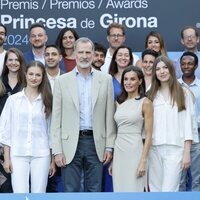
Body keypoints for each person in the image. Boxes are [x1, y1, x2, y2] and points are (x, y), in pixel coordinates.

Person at [50, 37, 116, 192]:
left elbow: (109, 116)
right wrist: (57, 150)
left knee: (94, 189)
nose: (84, 56)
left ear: (93, 54)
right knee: (70, 189)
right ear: (74, 53)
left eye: (88, 52)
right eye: (81, 52)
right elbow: (56, 119)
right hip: (69, 144)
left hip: (96, 143)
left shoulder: (106, 80)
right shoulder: (61, 81)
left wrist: (109, 146)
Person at [0, 61, 55, 193]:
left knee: (39, 193)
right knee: (20, 193)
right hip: (18, 154)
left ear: (43, 78)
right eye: (31, 74)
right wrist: (7, 159)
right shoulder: (13, 100)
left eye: (38, 75)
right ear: (25, 75)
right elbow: (6, 131)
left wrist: (52, 160)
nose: (34, 78)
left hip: (41, 154)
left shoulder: (47, 101)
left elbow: (51, 131)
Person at [148, 55, 195, 192]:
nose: (162, 72)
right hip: (153, 149)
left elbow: (188, 125)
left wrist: (186, 153)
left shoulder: (183, 93)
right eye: (158, 69)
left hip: (175, 149)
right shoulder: (150, 94)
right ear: (155, 73)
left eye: (165, 68)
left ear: (171, 70)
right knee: (155, 190)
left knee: (169, 190)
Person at [109, 65, 153, 192]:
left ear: (140, 81)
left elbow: (149, 135)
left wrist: (143, 161)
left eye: (132, 79)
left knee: (135, 190)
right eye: (126, 79)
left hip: (136, 150)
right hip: (119, 151)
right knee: (119, 190)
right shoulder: (118, 101)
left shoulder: (145, 102)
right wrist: (113, 160)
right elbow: (116, 130)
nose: (128, 82)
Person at [178, 51, 200, 191]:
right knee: (179, 179)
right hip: (178, 135)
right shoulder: (173, 86)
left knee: (197, 178)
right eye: (183, 64)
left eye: (190, 64)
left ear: (196, 66)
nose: (186, 66)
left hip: (197, 134)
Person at [0, 48, 26, 115]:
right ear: (6, 62)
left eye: (17, 60)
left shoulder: (27, 82)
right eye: (10, 60)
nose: (13, 63)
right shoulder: (1, 82)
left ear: (21, 62)